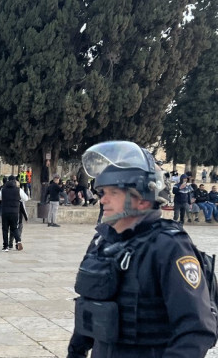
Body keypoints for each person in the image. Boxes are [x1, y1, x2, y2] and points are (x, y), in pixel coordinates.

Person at [67, 140, 218, 358]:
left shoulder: (168, 247)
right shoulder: (103, 241)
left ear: (143, 200)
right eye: (102, 193)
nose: (103, 201)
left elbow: (196, 329)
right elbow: (90, 309)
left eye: (113, 193)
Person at [0, 175, 27, 251]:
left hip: (5, 212)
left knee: (5, 229)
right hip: (15, 212)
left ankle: (5, 247)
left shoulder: (3, 189)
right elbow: (26, 198)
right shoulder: (18, 190)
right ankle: (18, 240)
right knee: (14, 228)